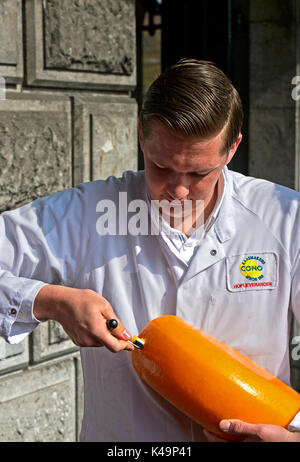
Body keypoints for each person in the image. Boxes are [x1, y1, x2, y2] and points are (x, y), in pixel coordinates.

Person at [1, 58, 300, 442]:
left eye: (199, 174)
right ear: (141, 134)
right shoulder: (89, 212)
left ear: (232, 148)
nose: (177, 191)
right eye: (161, 166)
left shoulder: (283, 216)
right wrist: (50, 301)